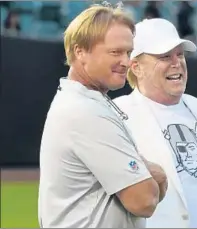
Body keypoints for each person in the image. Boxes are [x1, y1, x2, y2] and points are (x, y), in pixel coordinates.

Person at [38, 4, 168, 228]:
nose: (126, 62)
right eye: (115, 52)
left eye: (128, 52)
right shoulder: (85, 111)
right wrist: (159, 176)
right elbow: (144, 200)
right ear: (80, 52)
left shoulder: (86, 102)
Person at [113, 18, 197, 228]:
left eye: (180, 54)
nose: (177, 63)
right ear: (136, 67)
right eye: (165, 56)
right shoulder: (118, 115)